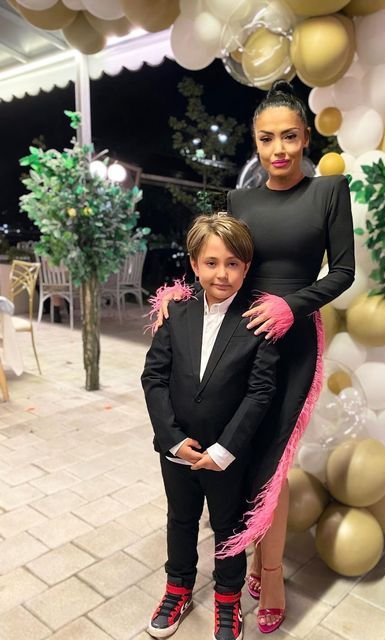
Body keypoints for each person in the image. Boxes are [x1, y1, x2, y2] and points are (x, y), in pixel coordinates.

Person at [154, 80, 355, 634]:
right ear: (256, 141)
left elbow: (343, 272)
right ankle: (236, 565)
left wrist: (292, 306)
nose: (279, 149)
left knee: (271, 466)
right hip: (239, 342)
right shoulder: (239, 201)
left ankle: (270, 577)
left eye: (289, 136)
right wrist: (180, 298)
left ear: (305, 136)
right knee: (235, 453)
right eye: (267, 139)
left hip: (293, 342)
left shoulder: (329, 192)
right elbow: (224, 264)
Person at [141, 214, 279, 640]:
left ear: (246, 267)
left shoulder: (257, 322)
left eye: (233, 263)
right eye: (212, 262)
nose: (222, 273)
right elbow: (154, 377)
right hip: (178, 448)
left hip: (227, 453)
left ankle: (228, 598)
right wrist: (172, 439)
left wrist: (224, 450)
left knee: (229, 525)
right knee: (180, 519)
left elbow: (260, 392)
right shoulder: (176, 314)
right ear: (195, 265)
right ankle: (178, 588)